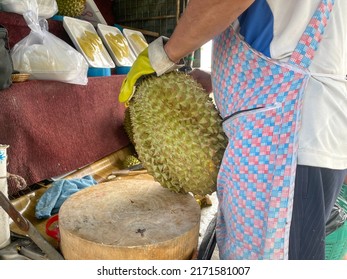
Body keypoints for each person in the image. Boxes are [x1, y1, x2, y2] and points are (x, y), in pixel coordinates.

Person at [119, 0, 347, 260]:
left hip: (286, 141)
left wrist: (164, 54)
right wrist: (216, 78)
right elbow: (285, 41)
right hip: (291, 131)